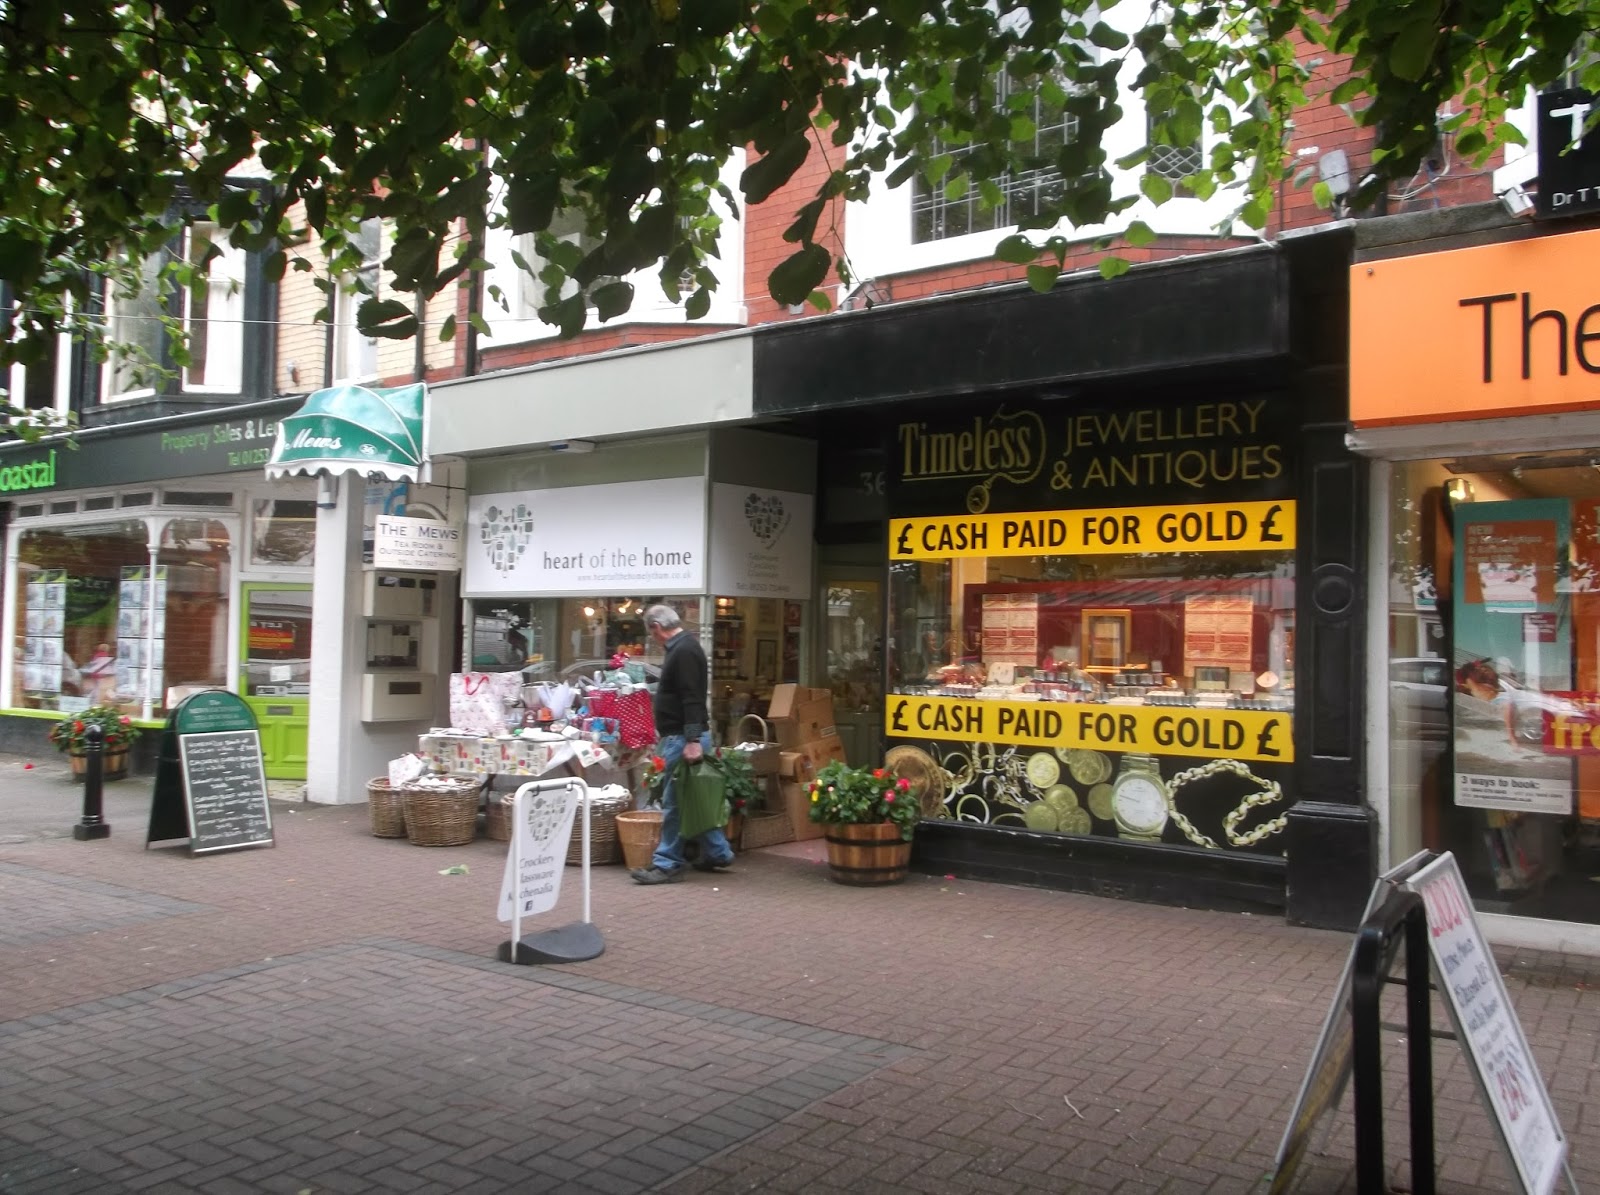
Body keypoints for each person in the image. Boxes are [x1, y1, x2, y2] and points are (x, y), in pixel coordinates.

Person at [631, 603, 735, 884]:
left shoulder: (684, 651)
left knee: (675, 801)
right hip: (682, 736)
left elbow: (692, 698)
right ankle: (718, 853)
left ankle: (667, 863)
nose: (652, 638)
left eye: (651, 632)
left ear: (656, 628)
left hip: (683, 737)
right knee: (693, 796)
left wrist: (691, 740)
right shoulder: (685, 648)